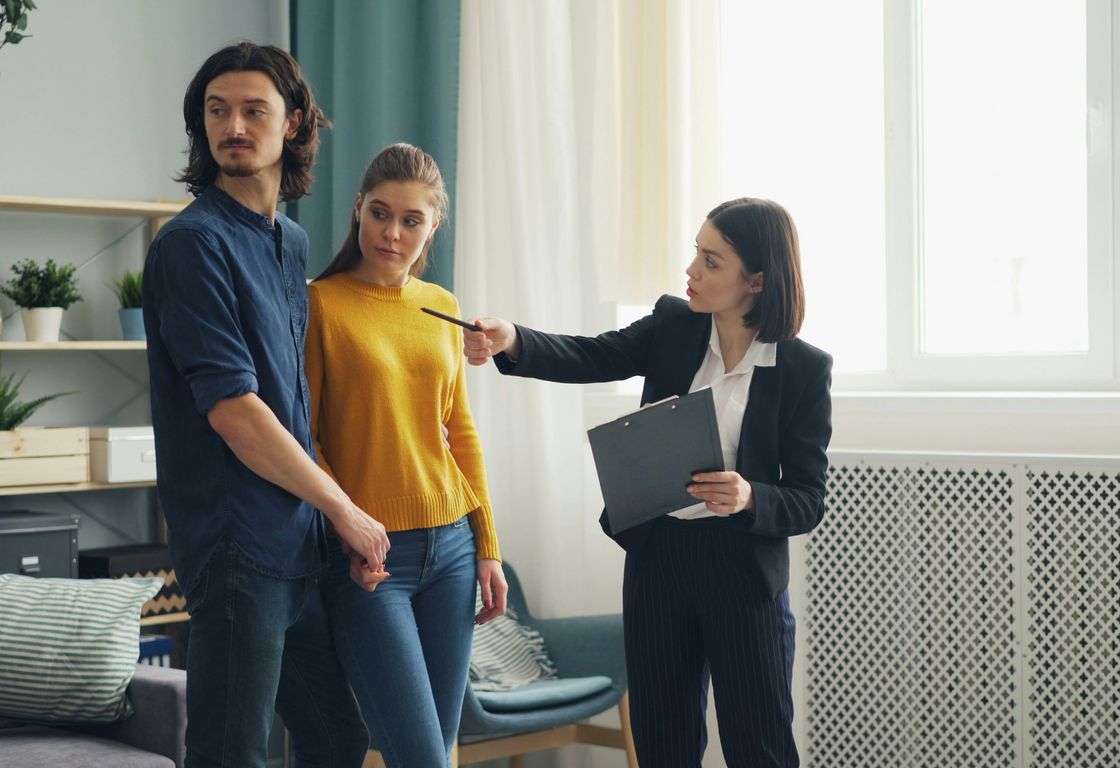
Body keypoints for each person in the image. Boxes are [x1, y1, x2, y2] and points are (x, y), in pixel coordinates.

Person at [462, 198, 832, 768]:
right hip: (661, 559)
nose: (692, 271)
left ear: (757, 280)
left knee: (760, 747)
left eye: (712, 261)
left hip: (743, 570)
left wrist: (751, 495)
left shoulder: (803, 368)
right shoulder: (674, 326)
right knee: (663, 745)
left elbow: (807, 498)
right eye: (696, 253)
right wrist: (513, 338)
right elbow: (591, 355)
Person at [143, 42, 389, 768]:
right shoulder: (191, 245)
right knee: (231, 751)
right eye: (217, 111)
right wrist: (344, 508)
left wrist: (326, 520)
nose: (234, 126)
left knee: (336, 737)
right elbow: (236, 411)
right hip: (234, 545)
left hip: (296, 544)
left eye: (254, 110)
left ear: (295, 122)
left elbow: (290, 400)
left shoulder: (290, 242)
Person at [306, 143, 509, 766]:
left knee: (439, 753)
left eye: (411, 220)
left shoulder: (443, 307)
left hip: (450, 549)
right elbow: (307, 439)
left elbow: (461, 431)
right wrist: (348, 529)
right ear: (358, 211)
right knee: (421, 756)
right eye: (379, 213)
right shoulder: (321, 303)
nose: (392, 233)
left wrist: (488, 547)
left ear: (433, 226)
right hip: (372, 558)